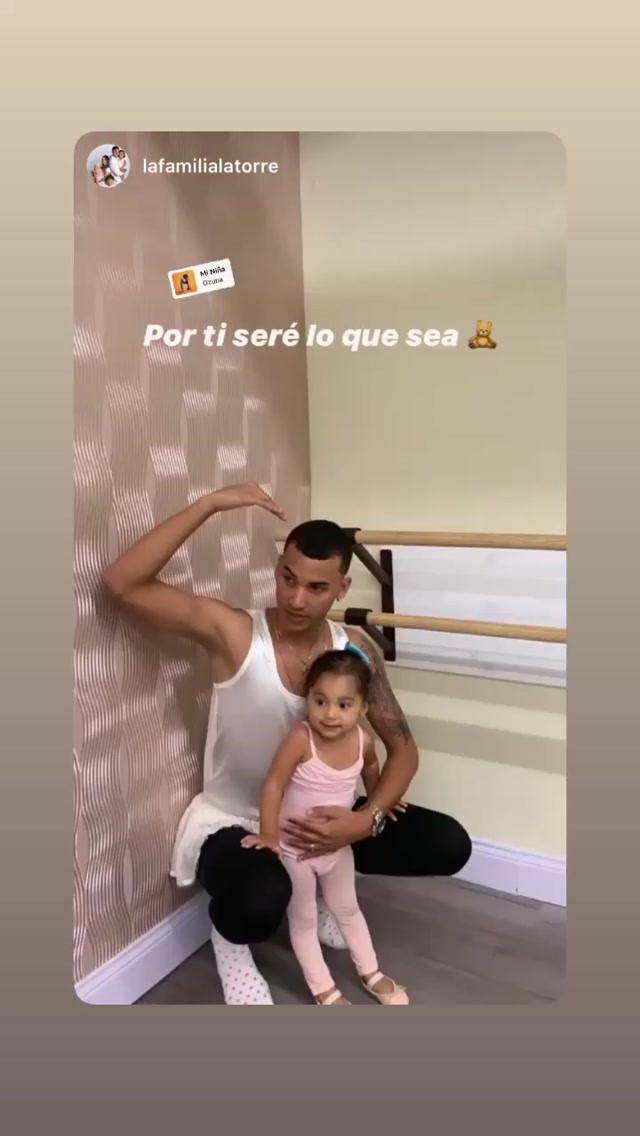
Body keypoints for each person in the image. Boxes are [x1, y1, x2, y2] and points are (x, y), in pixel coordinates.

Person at [103, 481, 472, 1004]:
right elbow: (122, 583)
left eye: (316, 588)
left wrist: (366, 819)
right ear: (277, 570)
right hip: (240, 821)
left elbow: (403, 748)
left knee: (448, 842)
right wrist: (210, 504)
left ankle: (318, 887)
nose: (297, 599)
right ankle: (231, 941)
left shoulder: (354, 652)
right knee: (258, 902)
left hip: (325, 817)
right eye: (288, 578)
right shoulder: (235, 633)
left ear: (342, 588)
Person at [242, 647, 409, 1005]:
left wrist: (379, 799)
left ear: (363, 708)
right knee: (303, 919)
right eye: (320, 702)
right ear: (308, 700)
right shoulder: (301, 739)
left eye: (344, 705)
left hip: (337, 849)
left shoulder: (363, 741)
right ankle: (323, 989)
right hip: (296, 851)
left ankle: (371, 971)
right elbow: (274, 784)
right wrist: (269, 834)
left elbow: (370, 765)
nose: (330, 714)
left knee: (348, 909)